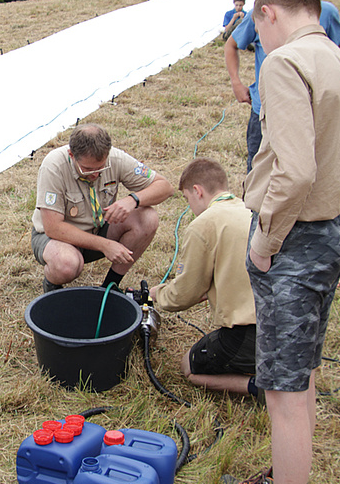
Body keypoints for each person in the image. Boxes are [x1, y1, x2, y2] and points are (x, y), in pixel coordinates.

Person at [229, 0, 340, 484]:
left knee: (283, 393)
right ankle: (283, 480)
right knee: (303, 374)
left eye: (255, 30)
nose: (255, 44)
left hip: (291, 240)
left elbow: (293, 171)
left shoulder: (285, 65)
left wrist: (267, 243)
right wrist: (338, 216)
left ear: (269, 13)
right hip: (331, 231)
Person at [224, 0, 340, 172]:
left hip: (312, 109)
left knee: (309, 167)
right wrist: (236, 82)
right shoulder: (259, 14)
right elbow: (231, 45)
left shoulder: (323, 11)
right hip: (266, 110)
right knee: (259, 169)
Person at [149, 157, 258, 397]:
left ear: (197, 191)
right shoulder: (252, 210)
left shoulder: (204, 224)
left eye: (188, 200)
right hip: (285, 327)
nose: (190, 208)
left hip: (249, 333)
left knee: (190, 367)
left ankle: (260, 387)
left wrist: (158, 295)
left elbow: (184, 294)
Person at [32, 123, 174, 293]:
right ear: (72, 155)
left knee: (148, 218)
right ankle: (53, 285)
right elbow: (53, 228)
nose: (95, 174)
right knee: (66, 265)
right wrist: (105, 245)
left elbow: (165, 187)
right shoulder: (53, 166)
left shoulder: (115, 158)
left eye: (101, 167)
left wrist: (133, 200)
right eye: (87, 169)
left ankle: (110, 287)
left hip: (98, 228)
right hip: (58, 239)